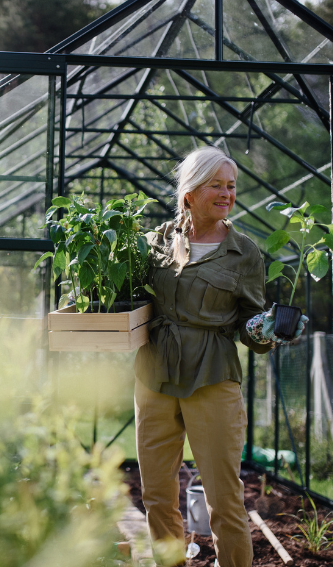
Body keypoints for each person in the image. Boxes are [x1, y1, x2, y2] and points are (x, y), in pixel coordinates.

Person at [133, 146, 306, 567]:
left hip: (212, 377)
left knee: (224, 499)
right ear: (190, 192)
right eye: (216, 185)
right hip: (154, 374)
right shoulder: (157, 241)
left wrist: (265, 329)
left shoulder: (243, 252)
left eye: (231, 186)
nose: (227, 193)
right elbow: (133, 300)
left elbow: (249, 322)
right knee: (156, 496)